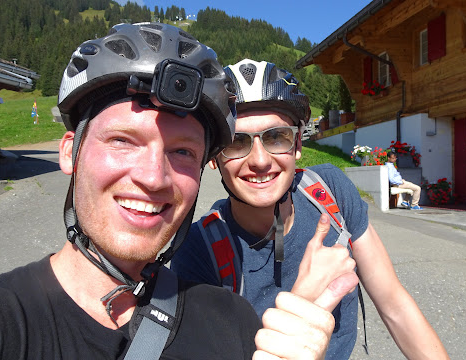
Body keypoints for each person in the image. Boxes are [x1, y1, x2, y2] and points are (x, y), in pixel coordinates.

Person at [0, 25, 355, 359]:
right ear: (70, 153)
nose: (154, 177)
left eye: (182, 151)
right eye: (123, 141)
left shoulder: (233, 321)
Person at [171, 59, 449, 359]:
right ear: (214, 156)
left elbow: (394, 305)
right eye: (237, 142)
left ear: (298, 144)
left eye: (277, 137)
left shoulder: (330, 192)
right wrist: (302, 301)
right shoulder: (199, 248)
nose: (260, 160)